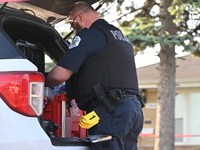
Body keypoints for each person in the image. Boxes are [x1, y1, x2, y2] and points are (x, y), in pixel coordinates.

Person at [45, 1, 144, 150]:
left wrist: (42, 83)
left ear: (79, 17)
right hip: (133, 109)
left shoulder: (90, 36)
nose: (75, 30)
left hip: (111, 111)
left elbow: (59, 76)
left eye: (73, 25)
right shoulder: (117, 35)